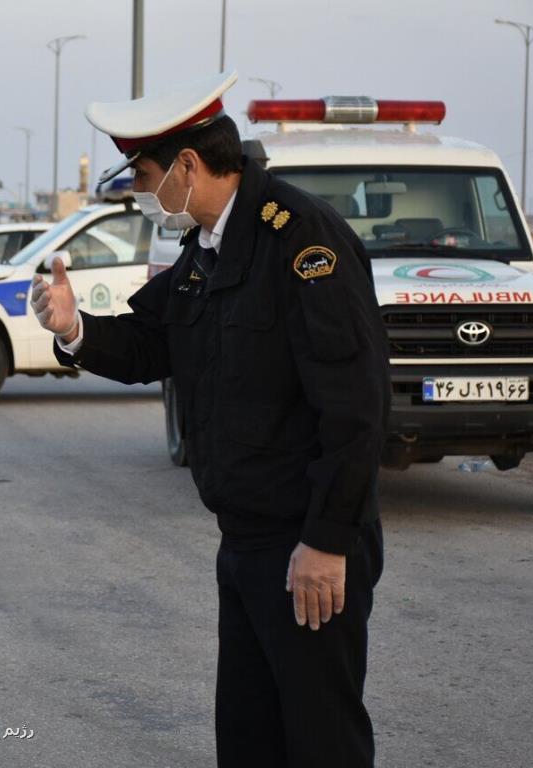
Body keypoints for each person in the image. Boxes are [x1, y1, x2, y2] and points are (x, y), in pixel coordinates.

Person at [30, 72, 390, 767]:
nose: (139, 189)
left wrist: (326, 541)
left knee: (320, 742)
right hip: (246, 541)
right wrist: (75, 329)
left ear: (189, 166)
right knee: (250, 737)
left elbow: (355, 407)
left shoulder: (300, 239)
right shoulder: (206, 249)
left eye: (144, 172)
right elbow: (151, 343)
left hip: (304, 546)